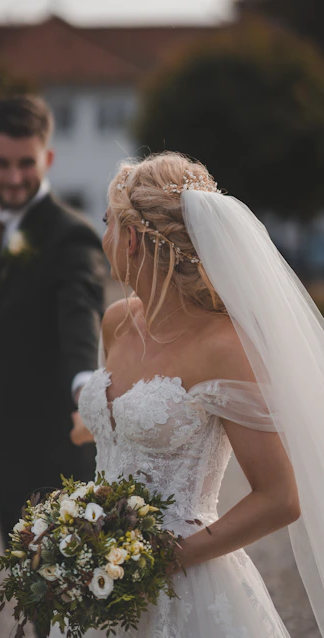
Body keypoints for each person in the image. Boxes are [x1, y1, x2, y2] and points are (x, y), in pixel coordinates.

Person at [68, 152, 324, 637]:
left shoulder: (225, 348)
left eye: (108, 223)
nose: (104, 239)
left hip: (186, 585)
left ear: (135, 240)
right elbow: (120, 425)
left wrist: (163, 560)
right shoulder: (118, 322)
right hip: (95, 576)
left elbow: (280, 498)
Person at [0, 95, 106, 547]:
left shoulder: (72, 237)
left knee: (67, 611)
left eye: (26, 163)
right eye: (1, 163)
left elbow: (79, 316)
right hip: (2, 463)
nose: (13, 178)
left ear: (47, 157)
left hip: (55, 464)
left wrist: (84, 384)